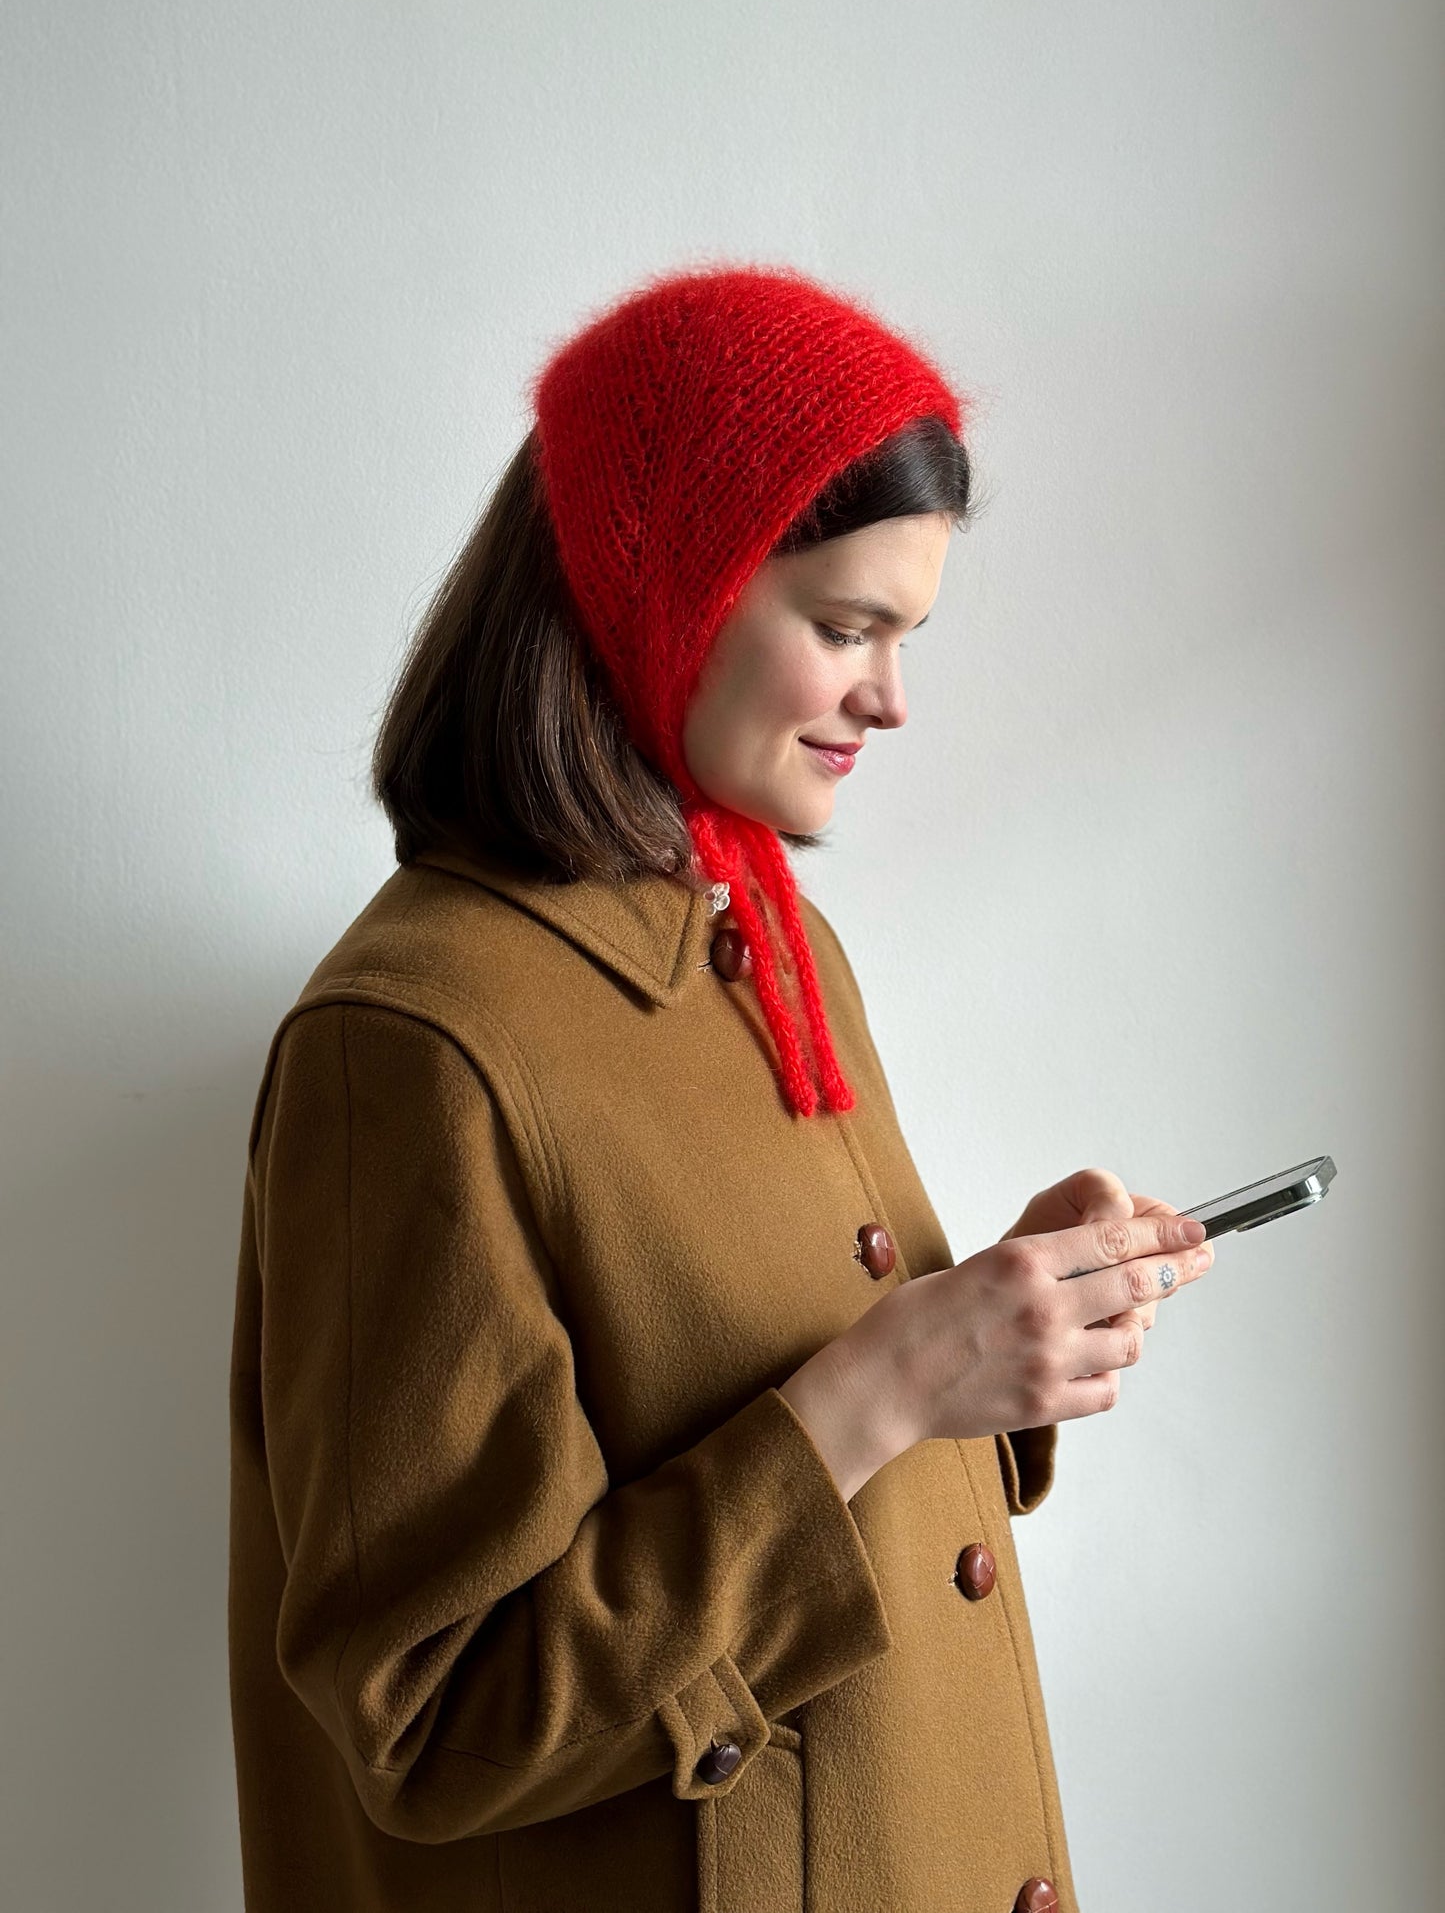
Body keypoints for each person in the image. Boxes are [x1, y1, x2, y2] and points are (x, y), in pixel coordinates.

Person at [227, 263, 1214, 1913]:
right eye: (844, 628)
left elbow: (776, 1420)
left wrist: (1006, 1328)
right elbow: (431, 1721)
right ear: (657, 587)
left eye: (905, 635)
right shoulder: (411, 1045)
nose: (890, 698)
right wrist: (884, 1385)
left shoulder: (773, 951)